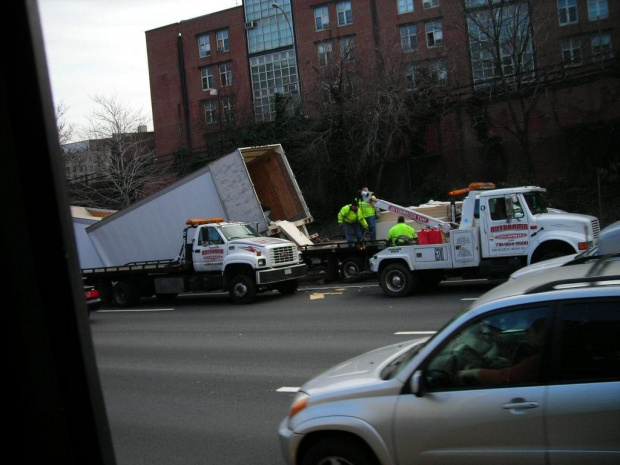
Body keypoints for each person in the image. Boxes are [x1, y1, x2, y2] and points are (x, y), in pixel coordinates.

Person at [458, 318, 546, 385]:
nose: (526, 334)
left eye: (528, 331)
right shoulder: (540, 353)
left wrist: (473, 372)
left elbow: (506, 377)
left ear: (540, 334)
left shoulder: (536, 359)